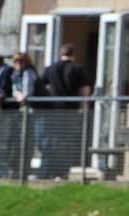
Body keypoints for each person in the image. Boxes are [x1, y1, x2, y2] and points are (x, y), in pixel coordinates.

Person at [41, 44, 91, 179]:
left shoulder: (51, 68)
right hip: (70, 109)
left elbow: (42, 85)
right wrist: (83, 105)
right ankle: (62, 172)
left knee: (51, 139)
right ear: (73, 54)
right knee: (66, 141)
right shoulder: (78, 68)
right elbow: (85, 89)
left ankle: (48, 171)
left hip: (52, 109)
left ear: (61, 54)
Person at [7, 53, 46, 179]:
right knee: (20, 140)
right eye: (16, 62)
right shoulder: (15, 74)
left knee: (33, 140)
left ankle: (27, 169)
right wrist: (18, 96)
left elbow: (28, 90)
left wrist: (22, 97)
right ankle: (19, 169)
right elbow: (15, 89)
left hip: (35, 111)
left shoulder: (29, 72)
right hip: (24, 111)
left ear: (26, 63)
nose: (18, 64)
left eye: (21, 62)